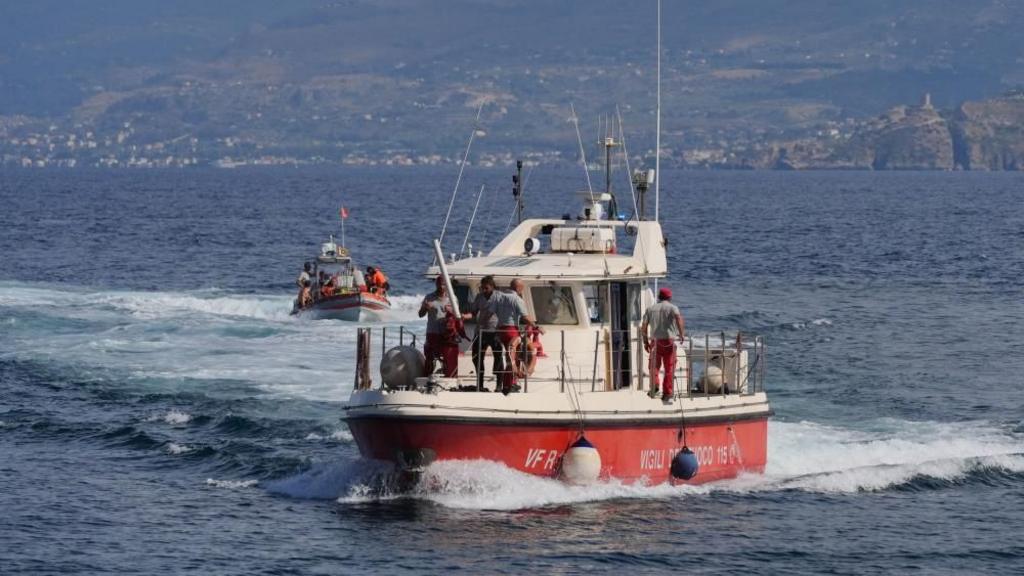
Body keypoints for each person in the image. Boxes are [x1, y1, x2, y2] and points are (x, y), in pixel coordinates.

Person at [641, 287, 686, 402]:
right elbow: (678, 319)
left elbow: (644, 326)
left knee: (654, 366)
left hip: (655, 341)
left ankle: (654, 386)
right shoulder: (673, 308)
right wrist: (681, 334)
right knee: (669, 367)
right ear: (669, 297)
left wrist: (645, 341)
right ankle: (667, 393)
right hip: (669, 341)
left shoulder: (650, 309)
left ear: (659, 297)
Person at [419, 276, 459, 377]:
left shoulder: (453, 298)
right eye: (439, 284)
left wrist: (451, 311)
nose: (441, 286)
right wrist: (425, 308)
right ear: (436, 284)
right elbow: (420, 314)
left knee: (447, 358)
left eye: (444, 284)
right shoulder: (429, 297)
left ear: (447, 285)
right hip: (432, 332)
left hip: (447, 334)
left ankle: (448, 379)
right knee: (430, 358)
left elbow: (458, 317)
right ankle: (426, 379)